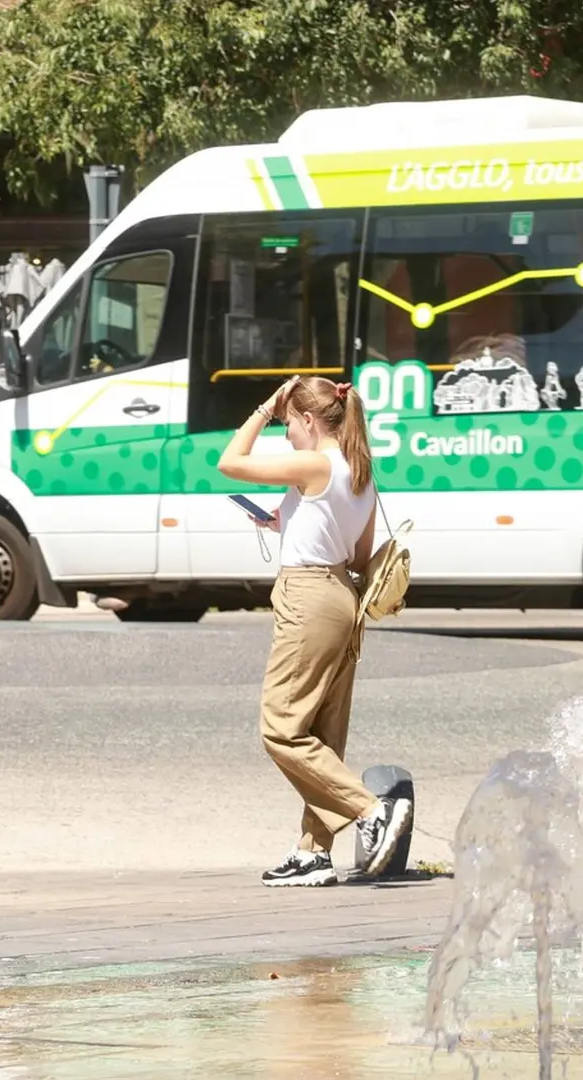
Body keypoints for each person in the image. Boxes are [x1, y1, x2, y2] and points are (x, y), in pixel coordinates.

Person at [216, 375, 411, 887]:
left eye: (288, 424)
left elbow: (230, 461)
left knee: (281, 728)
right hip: (344, 597)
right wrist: (285, 523)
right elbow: (359, 555)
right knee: (323, 733)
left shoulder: (316, 462)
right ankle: (314, 851)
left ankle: (372, 811)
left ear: (308, 419)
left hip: (308, 595)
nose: (286, 436)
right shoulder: (360, 473)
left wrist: (263, 407)